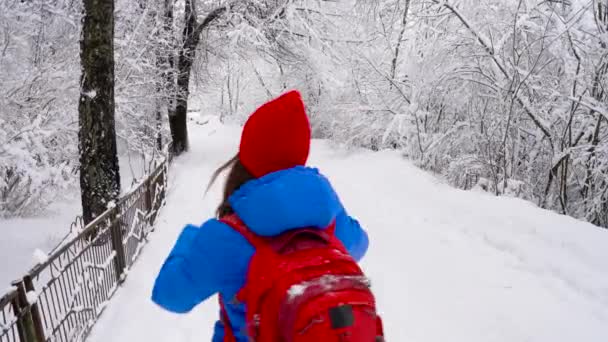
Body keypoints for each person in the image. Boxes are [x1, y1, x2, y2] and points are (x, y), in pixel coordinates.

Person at [151, 90, 371, 341]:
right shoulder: (330, 220)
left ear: (247, 157)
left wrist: (193, 237)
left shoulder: (223, 238)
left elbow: (170, 294)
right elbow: (360, 243)